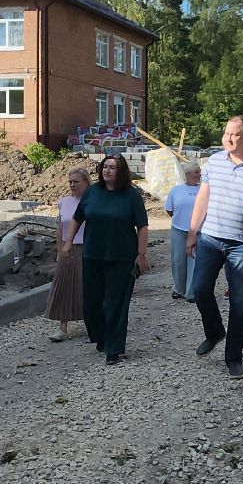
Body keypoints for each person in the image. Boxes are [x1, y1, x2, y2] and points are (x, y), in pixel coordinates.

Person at [186, 116, 243, 379]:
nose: (228, 138)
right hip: (211, 238)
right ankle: (214, 332)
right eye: (226, 133)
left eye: (235, 135)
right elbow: (203, 196)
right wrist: (193, 231)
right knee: (200, 289)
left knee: (239, 301)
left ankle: (233, 357)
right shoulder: (214, 162)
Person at [73, 154, 150, 365]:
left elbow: (142, 226)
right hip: (92, 256)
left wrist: (141, 254)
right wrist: (67, 242)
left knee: (116, 304)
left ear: (121, 171)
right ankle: (101, 337)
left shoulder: (131, 195)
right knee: (92, 303)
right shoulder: (92, 192)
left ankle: (114, 349)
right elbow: (78, 218)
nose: (107, 170)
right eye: (105, 166)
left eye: (112, 167)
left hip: (122, 257)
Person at [44, 165, 93, 342]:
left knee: (88, 288)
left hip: (88, 249)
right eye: (70, 182)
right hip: (68, 249)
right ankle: (63, 327)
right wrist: (59, 251)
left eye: (76, 182)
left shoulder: (93, 201)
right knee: (63, 287)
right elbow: (60, 228)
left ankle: (93, 325)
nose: (72, 185)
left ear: (86, 182)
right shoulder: (63, 202)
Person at [162, 162, 201, 300]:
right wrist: (179, 219)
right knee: (178, 260)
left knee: (194, 260)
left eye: (199, 171)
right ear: (188, 174)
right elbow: (169, 208)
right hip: (179, 229)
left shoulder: (203, 189)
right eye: (196, 172)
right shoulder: (176, 190)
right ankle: (179, 289)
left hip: (199, 231)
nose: (199, 174)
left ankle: (191, 292)